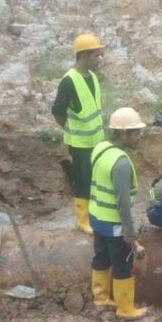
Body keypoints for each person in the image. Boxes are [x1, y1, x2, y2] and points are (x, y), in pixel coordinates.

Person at [88, 107, 148, 319]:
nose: (140, 136)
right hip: (113, 222)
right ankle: (125, 309)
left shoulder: (100, 148)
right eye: (136, 132)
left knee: (101, 256)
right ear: (123, 134)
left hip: (96, 217)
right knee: (122, 264)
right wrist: (129, 231)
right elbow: (122, 202)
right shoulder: (121, 163)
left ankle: (101, 298)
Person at [52, 34, 107, 234]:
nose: (99, 59)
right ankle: (82, 220)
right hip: (80, 142)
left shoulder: (91, 77)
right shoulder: (69, 81)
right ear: (83, 56)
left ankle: (92, 215)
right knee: (82, 181)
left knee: (93, 179)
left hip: (95, 140)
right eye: (95, 56)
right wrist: (72, 130)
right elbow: (58, 112)